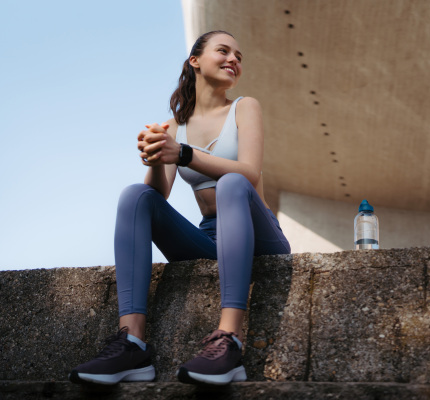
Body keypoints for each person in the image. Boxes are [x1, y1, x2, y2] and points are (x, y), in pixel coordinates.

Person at [68, 30, 291, 386]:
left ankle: (229, 340)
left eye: (239, 56)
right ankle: (132, 343)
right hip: (208, 239)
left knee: (232, 183)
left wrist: (184, 153)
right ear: (195, 61)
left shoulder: (244, 107)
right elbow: (157, 195)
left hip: (261, 240)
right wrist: (156, 157)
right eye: (223, 51)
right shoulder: (175, 126)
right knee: (134, 196)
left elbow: (249, 173)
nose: (234, 59)